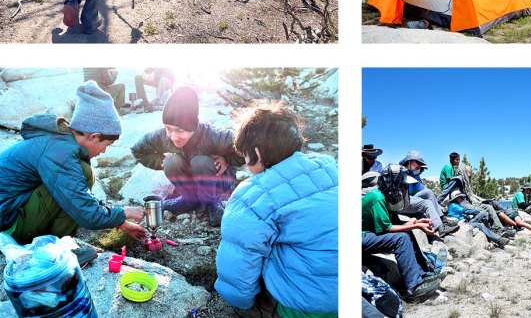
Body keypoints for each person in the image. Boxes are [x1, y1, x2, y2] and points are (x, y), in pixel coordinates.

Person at [215, 104, 338, 317]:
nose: (246, 164)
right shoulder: (330, 166)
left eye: (245, 156)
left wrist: (239, 302)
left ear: (256, 153)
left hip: (305, 307)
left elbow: (238, 269)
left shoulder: (252, 195)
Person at [0, 81, 147, 245]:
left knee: (79, 176)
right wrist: (124, 213)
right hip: (7, 225)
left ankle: (55, 242)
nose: (104, 151)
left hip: (10, 210)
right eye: (106, 145)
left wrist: (119, 222)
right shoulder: (59, 151)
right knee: (85, 172)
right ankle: (57, 247)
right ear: (93, 136)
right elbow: (86, 212)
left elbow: (76, 193)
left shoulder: (59, 141)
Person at [131, 86, 244, 226]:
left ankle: (211, 203)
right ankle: (189, 199)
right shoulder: (161, 136)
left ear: (193, 126)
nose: (174, 137)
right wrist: (161, 162)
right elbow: (137, 150)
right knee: (171, 161)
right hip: (189, 182)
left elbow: (246, 146)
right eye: (169, 129)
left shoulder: (213, 135)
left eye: (180, 130)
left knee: (199, 161)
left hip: (218, 181)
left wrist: (227, 159)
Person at [362, 164, 444, 299]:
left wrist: (417, 222)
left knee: (407, 233)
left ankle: (423, 273)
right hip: (361, 236)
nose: (405, 188)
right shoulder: (377, 197)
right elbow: (385, 229)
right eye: (403, 184)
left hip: (369, 234)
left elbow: (395, 223)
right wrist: (416, 226)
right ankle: (414, 287)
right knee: (401, 238)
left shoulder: (387, 196)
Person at [399, 151, 458, 238]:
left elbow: (423, 189)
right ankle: (440, 227)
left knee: (429, 192)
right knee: (426, 203)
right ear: (409, 161)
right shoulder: (399, 172)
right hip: (400, 202)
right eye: (417, 163)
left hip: (409, 198)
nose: (419, 167)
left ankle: (442, 219)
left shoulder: (414, 174)